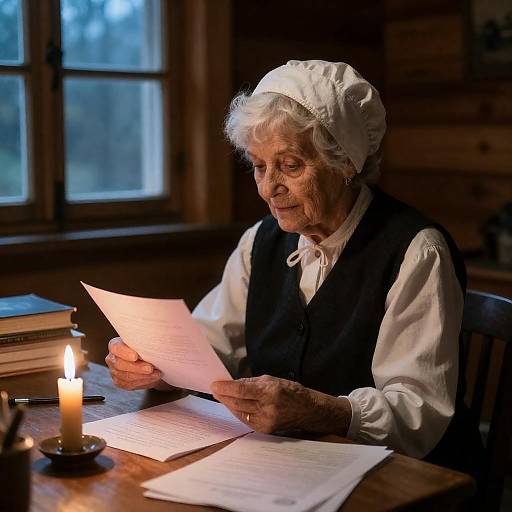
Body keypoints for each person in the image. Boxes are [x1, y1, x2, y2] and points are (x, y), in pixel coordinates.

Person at [105, 60, 482, 476]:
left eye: (290, 165)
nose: (269, 188)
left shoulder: (415, 251)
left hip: (408, 479)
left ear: (345, 163)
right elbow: (207, 346)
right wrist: (153, 365)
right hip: (293, 469)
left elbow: (418, 410)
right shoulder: (261, 241)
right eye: (258, 165)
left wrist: (322, 410)